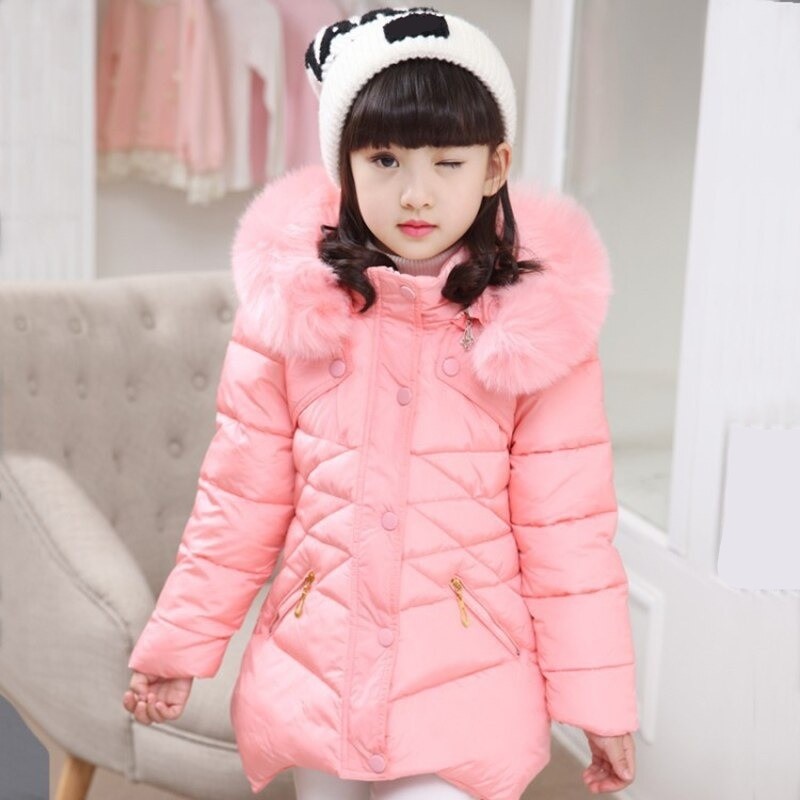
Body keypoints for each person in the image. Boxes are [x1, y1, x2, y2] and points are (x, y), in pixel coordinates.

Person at [122, 6, 639, 799]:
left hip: (468, 681)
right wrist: (180, 647)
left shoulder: (539, 330)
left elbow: (567, 533)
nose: (416, 192)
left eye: (448, 161)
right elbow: (238, 501)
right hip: (317, 667)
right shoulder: (291, 313)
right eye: (386, 159)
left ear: (495, 166)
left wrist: (598, 701)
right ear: (345, 166)